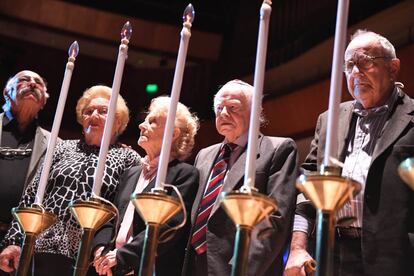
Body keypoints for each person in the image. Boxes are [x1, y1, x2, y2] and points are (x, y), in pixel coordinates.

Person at [285, 30, 414, 276]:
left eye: (365, 61)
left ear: (393, 67)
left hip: (397, 258)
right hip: (331, 253)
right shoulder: (329, 119)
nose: (356, 72)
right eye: (349, 65)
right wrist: (298, 247)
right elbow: (308, 187)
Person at [0, 85, 140, 275]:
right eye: (88, 111)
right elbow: (32, 195)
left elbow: (124, 211)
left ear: (118, 122)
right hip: (40, 248)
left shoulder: (128, 158)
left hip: (89, 255)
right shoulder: (62, 148)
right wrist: (14, 241)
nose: (94, 115)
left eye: (103, 111)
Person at [182, 79, 298, 276]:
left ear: (255, 112)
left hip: (241, 265)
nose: (224, 114)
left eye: (233, 108)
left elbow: (276, 219)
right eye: (219, 108)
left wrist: (243, 267)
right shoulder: (204, 155)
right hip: (194, 264)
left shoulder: (278, 149)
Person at [92, 96, 199, 276]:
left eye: (152, 121)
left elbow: (170, 227)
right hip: (112, 268)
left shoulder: (185, 174)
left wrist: (123, 256)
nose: (141, 125)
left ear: (173, 134)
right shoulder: (131, 173)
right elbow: (112, 216)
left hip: (150, 268)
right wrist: (100, 250)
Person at [0, 70, 52, 275]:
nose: (32, 84)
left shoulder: (54, 144)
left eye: (38, 82)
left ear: (44, 101)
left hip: (18, 243)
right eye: (24, 80)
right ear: (6, 92)